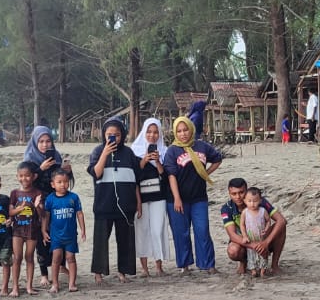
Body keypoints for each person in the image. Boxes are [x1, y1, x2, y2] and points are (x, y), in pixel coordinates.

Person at [163, 116, 223, 273]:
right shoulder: (172, 151)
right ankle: (185, 265)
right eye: (179, 131)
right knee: (181, 232)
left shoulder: (202, 146)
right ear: (175, 132)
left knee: (202, 230)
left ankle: (208, 264)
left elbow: (217, 159)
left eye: (185, 129)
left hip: (199, 198)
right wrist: (176, 198)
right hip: (177, 199)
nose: (183, 133)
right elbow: (171, 176)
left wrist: (205, 173)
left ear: (191, 129)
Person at [88, 117, 140, 283]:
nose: (113, 138)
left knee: (125, 240)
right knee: (101, 240)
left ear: (122, 135)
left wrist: (138, 203)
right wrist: (105, 153)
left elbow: (136, 178)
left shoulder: (129, 153)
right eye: (109, 134)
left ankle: (123, 272)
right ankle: (98, 273)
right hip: (104, 204)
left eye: (116, 135)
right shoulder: (97, 151)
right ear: (103, 135)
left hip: (126, 205)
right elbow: (96, 172)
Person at [25, 126, 70, 283]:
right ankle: (44, 273)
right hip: (38, 202)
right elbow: (26, 181)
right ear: (35, 142)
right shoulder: (30, 159)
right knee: (41, 237)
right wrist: (40, 169)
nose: (45, 145)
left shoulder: (56, 156)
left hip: (56, 200)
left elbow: (63, 182)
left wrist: (67, 171)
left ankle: (61, 264)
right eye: (41, 141)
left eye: (48, 141)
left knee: (60, 230)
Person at [129, 118, 172, 276]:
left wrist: (158, 162)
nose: (152, 135)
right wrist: (144, 161)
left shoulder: (165, 151)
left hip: (159, 196)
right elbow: (133, 177)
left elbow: (167, 177)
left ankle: (159, 266)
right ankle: (144, 268)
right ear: (143, 132)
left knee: (158, 229)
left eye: (155, 132)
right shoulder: (134, 151)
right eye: (149, 131)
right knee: (142, 230)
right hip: (141, 197)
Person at [220, 177, 286, 276]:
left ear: (247, 190)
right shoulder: (227, 208)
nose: (238, 197)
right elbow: (232, 235)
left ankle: (274, 265)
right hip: (244, 241)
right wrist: (254, 246)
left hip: (262, 237)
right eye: (234, 194)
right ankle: (243, 262)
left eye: (241, 192)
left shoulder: (259, 201)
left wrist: (265, 242)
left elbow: (281, 220)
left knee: (281, 227)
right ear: (229, 194)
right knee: (233, 251)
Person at [42, 169, 86, 293]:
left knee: (71, 258)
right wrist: (44, 231)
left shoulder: (74, 197)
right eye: (59, 182)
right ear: (53, 184)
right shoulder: (50, 199)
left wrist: (83, 229)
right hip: (56, 235)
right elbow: (46, 216)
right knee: (56, 258)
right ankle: (55, 284)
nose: (63, 185)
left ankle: (72, 283)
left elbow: (80, 214)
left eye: (66, 182)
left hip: (71, 235)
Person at [8, 161, 43, 296]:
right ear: (17, 176)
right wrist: (19, 209)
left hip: (32, 229)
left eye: (27, 176)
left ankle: (29, 286)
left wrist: (37, 206)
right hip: (17, 230)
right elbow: (10, 213)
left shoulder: (37, 192)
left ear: (33, 176)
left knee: (29, 257)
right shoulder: (14, 193)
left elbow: (42, 215)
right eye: (21, 176)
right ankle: (15, 287)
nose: (24, 179)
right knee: (17, 258)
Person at [239, 187, 273, 277]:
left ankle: (263, 270)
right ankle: (253, 270)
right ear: (245, 201)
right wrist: (244, 236)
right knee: (251, 254)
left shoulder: (263, 211)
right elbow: (242, 225)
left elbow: (268, 221)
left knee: (263, 254)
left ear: (260, 201)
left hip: (261, 239)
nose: (252, 204)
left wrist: (266, 229)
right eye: (249, 201)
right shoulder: (245, 212)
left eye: (255, 201)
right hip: (251, 239)